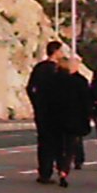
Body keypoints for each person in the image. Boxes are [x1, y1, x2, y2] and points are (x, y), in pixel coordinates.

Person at [27, 41, 64, 184]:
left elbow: (30, 88)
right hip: (55, 111)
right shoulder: (56, 70)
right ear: (55, 52)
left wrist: (36, 103)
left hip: (41, 111)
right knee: (56, 142)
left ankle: (44, 172)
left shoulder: (39, 68)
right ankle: (58, 169)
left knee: (43, 142)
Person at [56, 57, 91, 188]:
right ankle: (64, 170)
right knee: (70, 146)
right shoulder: (81, 82)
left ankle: (61, 167)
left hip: (58, 118)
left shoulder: (58, 81)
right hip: (74, 119)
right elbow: (86, 102)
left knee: (59, 145)